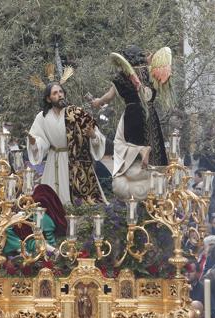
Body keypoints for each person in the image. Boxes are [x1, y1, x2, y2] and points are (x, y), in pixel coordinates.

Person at [93, 46, 169, 200]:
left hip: (132, 114)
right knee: (153, 140)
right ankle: (152, 160)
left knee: (123, 144)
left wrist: (97, 102)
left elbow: (108, 97)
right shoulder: (151, 72)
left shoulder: (122, 76)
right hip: (151, 113)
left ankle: (141, 151)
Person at [27, 82, 106, 204]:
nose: (59, 95)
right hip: (54, 160)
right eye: (55, 93)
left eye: (61, 92)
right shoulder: (42, 117)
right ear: (48, 99)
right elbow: (41, 141)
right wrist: (34, 142)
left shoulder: (77, 113)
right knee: (50, 202)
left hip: (76, 162)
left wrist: (93, 135)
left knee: (77, 201)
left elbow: (96, 135)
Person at [4, 184, 66, 255]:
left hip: (37, 245)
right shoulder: (45, 216)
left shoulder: (41, 216)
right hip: (33, 244)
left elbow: (48, 239)